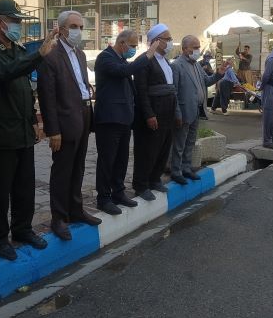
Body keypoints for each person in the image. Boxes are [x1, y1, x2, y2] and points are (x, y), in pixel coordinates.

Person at [0, 0, 59, 261]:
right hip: (0, 133)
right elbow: (4, 73)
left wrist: (34, 120)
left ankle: (23, 229)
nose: (19, 26)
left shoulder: (18, 49)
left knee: (25, 186)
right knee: (0, 191)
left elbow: (25, 90)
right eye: (15, 21)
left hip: (23, 130)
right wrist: (38, 55)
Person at [37, 10, 103, 242]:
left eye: (81, 27)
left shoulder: (80, 54)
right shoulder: (51, 55)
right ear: (62, 28)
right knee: (62, 170)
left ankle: (76, 210)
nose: (78, 31)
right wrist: (53, 130)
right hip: (64, 121)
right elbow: (47, 96)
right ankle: (59, 217)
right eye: (74, 27)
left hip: (83, 115)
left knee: (78, 167)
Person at [93, 30, 159, 215]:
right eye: (132, 45)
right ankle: (103, 198)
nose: (134, 49)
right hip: (109, 119)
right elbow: (124, 71)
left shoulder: (121, 59)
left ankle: (118, 192)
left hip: (124, 119)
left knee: (121, 160)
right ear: (121, 43)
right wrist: (147, 55)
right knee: (107, 161)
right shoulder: (105, 58)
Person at [132, 23, 177, 201]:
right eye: (168, 39)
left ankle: (154, 179)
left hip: (168, 112)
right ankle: (141, 185)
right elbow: (141, 91)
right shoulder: (145, 61)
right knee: (147, 150)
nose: (170, 42)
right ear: (156, 41)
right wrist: (149, 114)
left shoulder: (166, 61)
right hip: (153, 112)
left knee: (163, 147)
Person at [171, 36, 224, 184]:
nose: (198, 50)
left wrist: (218, 74)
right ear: (184, 49)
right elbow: (173, 92)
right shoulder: (177, 66)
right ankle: (176, 171)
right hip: (184, 111)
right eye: (194, 47)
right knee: (179, 144)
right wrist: (177, 113)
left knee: (190, 142)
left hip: (196, 110)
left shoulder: (197, 65)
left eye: (198, 47)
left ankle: (186, 168)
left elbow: (206, 81)